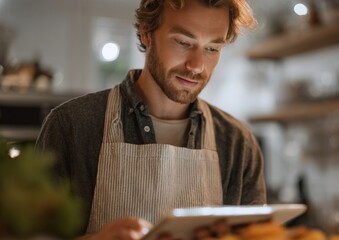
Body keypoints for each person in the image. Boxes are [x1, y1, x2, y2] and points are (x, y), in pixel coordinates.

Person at [36, 0, 266, 239]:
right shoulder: (71, 125)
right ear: (147, 33)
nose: (196, 66)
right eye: (183, 42)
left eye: (212, 48)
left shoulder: (238, 143)